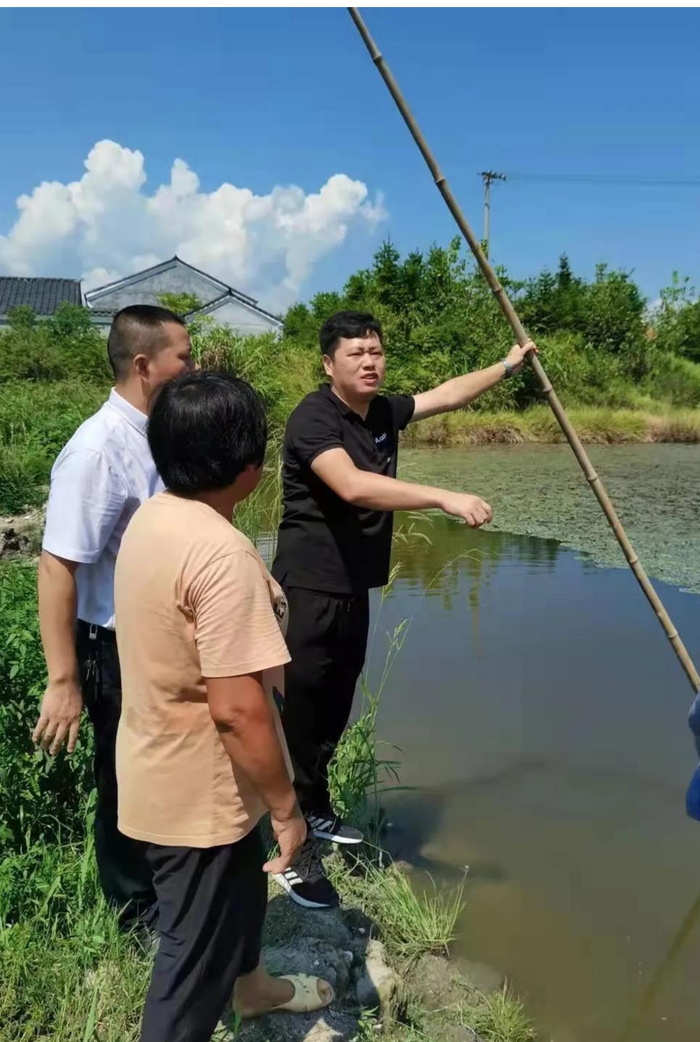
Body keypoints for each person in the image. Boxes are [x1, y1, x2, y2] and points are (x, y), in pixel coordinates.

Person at [271, 310, 537, 908]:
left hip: (352, 590)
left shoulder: (382, 412)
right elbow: (354, 486)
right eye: (355, 353)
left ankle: (312, 809)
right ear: (328, 364)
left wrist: (506, 366)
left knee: (335, 708)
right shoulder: (314, 418)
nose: (369, 362)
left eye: (376, 352)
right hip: (309, 590)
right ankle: (286, 842)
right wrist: (443, 496)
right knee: (298, 714)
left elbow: (444, 396)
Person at [115, 371, 333, 1042]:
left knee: (239, 894)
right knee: (190, 959)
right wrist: (287, 808)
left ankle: (255, 990)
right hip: (198, 796)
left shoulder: (157, 515)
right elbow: (239, 710)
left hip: (164, 763)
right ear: (249, 465)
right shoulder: (220, 554)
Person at [33, 304, 196, 928]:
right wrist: (64, 678)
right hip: (114, 647)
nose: (193, 365)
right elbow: (57, 567)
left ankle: (171, 887)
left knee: (163, 766)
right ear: (143, 364)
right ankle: (133, 910)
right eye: (184, 355)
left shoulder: (158, 432)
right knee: (125, 776)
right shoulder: (98, 450)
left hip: (161, 640)